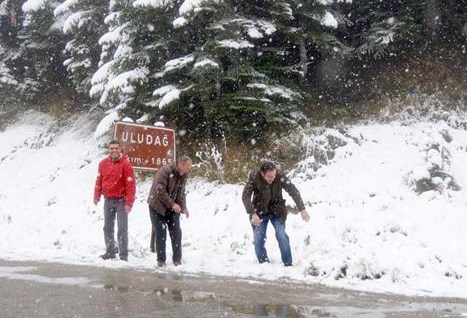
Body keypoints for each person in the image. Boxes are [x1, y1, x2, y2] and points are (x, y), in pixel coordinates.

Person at [242, 161, 310, 266]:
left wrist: (302, 209)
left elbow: (293, 190)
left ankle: (288, 264)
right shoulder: (254, 177)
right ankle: (264, 264)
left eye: (274, 175)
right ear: (262, 173)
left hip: (277, 210)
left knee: (281, 235)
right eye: (269, 176)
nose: (273, 178)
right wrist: (252, 213)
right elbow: (245, 196)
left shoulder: (279, 176)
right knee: (259, 238)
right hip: (259, 212)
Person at [93, 140, 136, 261]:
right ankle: (110, 252)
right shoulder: (102, 163)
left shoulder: (126, 164)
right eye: (112, 148)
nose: (114, 150)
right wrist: (96, 195)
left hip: (122, 200)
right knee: (107, 227)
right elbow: (99, 180)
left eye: (116, 148)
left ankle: (123, 255)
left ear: (120, 149)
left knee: (122, 228)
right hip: (108, 200)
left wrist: (129, 203)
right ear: (109, 150)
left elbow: (131, 185)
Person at [147, 156, 192, 267]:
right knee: (161, 234)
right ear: (181, 164)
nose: (188, 170)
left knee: (176, 232)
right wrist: (173, 204)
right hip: (157, 206)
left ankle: (177, 260)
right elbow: (160, 190)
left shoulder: (184, 174)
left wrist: (184, 207)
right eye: (188, 167)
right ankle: (161, 261)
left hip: (172, 208)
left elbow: (181, 192)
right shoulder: (165, 171)